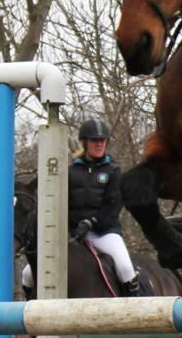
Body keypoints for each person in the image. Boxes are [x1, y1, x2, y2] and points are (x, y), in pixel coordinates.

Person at [21, 118, 140, 296]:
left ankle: (131, 309)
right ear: (85, 142)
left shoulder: (113, 171)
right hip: (73, 236)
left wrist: (91, 223)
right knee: (27, 274)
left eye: (102, 140)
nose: (99, 144)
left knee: (125, 268)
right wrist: (71, 227)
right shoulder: (70, 171)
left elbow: (112, 207)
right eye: (94, 140)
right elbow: (61, 203)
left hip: (104, 233)